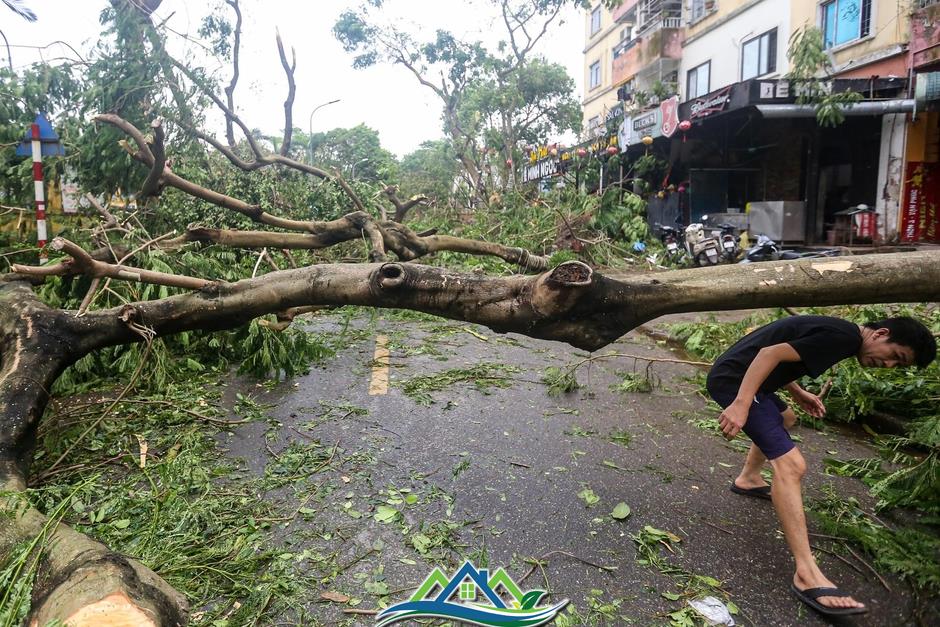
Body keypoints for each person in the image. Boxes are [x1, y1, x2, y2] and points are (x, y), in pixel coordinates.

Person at [705, 315, 936, 617]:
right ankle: (806, 573)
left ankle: (748, 478)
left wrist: (798, 393)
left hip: (745, 376)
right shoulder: (843, 339)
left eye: (899, 365)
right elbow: (767, 354)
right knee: (792, 466)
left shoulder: (843, 335)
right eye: (895, 356)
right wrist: (741, 402)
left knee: (787, 419)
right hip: (734, 380)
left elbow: (778, 350)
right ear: (881, 334)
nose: (890, 366)